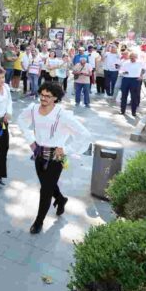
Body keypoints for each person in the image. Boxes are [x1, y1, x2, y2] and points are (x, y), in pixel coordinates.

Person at [17, 82, 91, 234]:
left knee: (45, 189)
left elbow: (84, 134)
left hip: (57, 158)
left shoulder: (62, 114)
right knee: (47, 184)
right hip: (38, 154)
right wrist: (31, 141)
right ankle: (61, 199)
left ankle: (38, 221)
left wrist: (66, 149)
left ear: (55, 98)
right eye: (42, 95)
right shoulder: (33, 109)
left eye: (47, 96)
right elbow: (21, 120)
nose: (43, 98)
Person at [119, 52, 144, 117]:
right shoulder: (125, 63)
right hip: (126, 79)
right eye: (131, 57)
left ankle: (133, 111)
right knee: (124, 95)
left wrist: (141, 76)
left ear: (136, 57)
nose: (132, 58)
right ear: (129, 57)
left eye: (134, 57)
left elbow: (144, 70)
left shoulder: (140, 63)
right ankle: (122, 110)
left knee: (134, 97)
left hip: (135, 80)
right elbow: (120, 71)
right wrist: (123, 72)